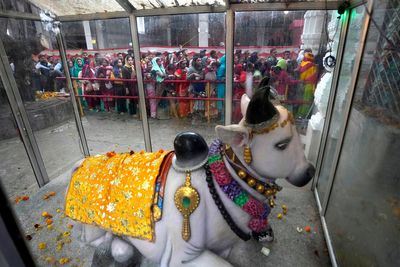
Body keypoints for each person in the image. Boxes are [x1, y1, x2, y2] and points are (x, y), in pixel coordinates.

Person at [297, 51, 318, 118]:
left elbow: (301, 75)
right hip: (309, 85)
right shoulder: (312, 65)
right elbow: (314, 76)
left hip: (302, 84)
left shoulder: (303, 63)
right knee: (307, 100)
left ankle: (299, 114)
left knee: (301, 99)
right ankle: (304, 115)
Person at [216, 55, 226, 121]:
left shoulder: (222, 66)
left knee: (221, 102)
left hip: (220, 86)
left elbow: (218, 77)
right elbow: (219, 77)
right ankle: (223, 118)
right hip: (222, 86)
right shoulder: (223, 66)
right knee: (223, 102)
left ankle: (222, 118)